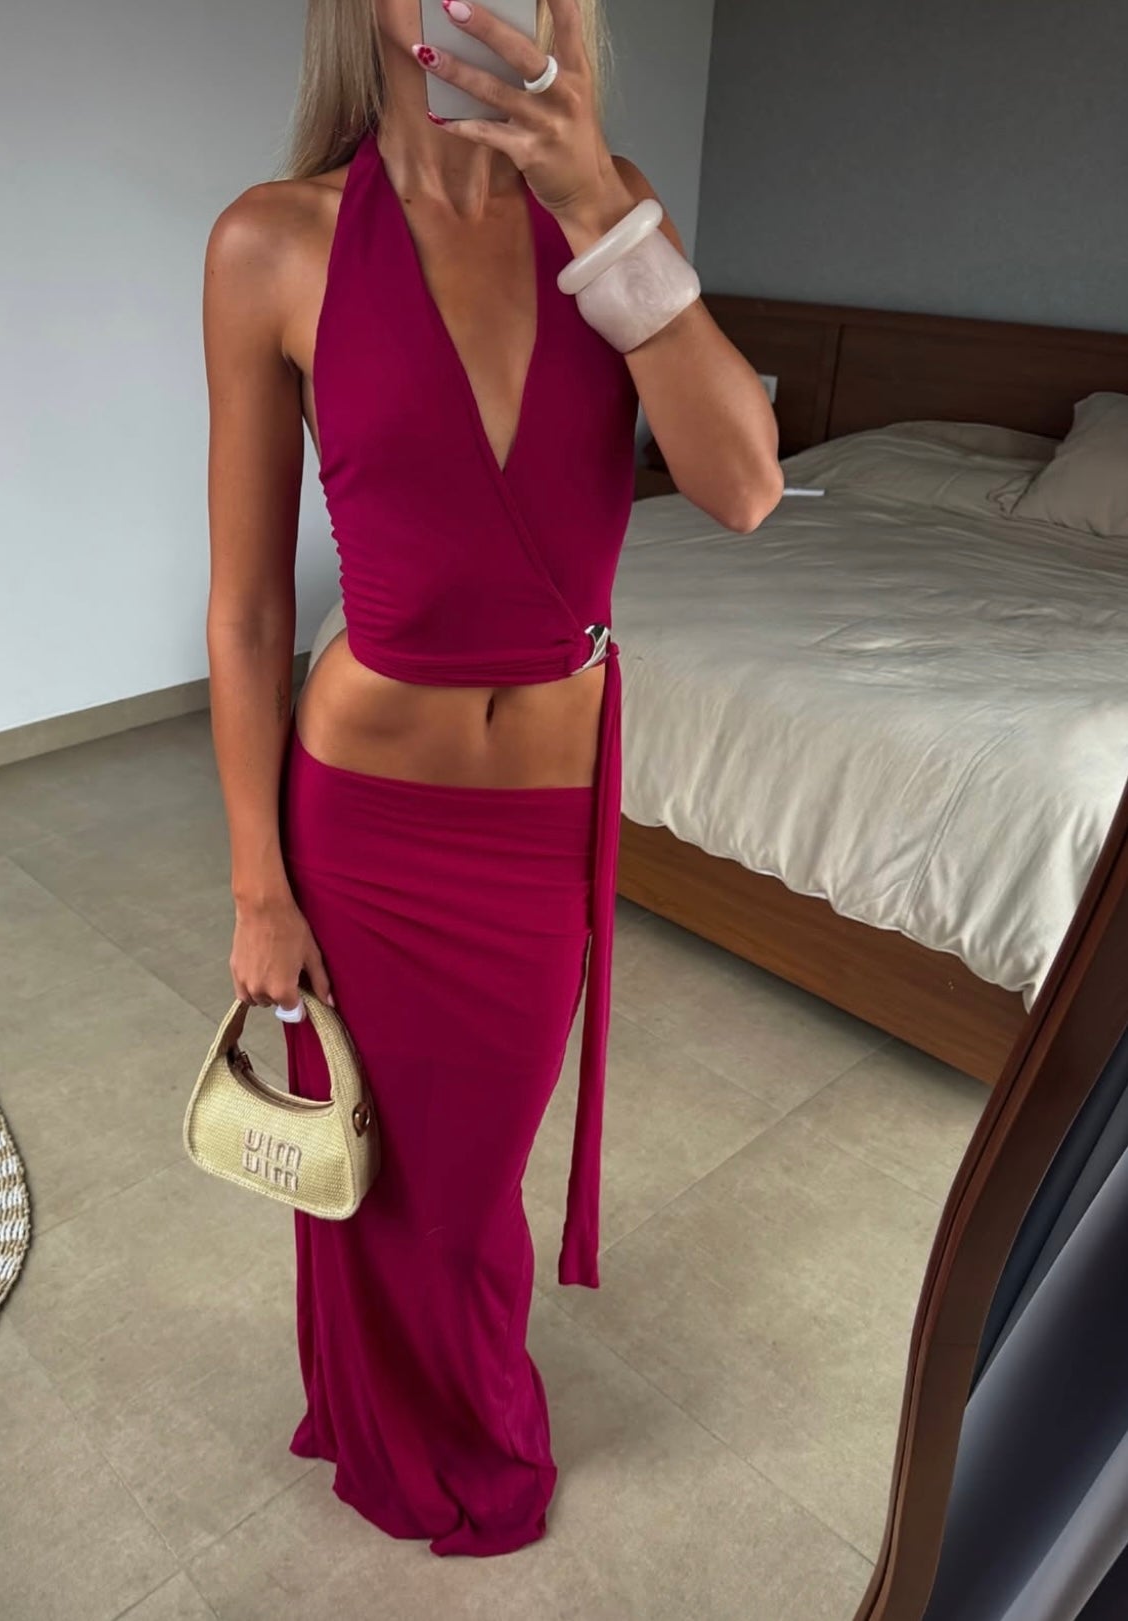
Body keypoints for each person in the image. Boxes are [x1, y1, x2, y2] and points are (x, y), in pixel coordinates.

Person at [202, 0, 781, 1558]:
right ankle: (405, 1425)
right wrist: (258, 883)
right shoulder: (274, 240)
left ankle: (441, 1415)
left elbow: (741, 485)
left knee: (462, 1183)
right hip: (361, 825)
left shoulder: (610, 205)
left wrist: (599, 211)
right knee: (383, 1170)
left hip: (534, 832)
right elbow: (247, 611)